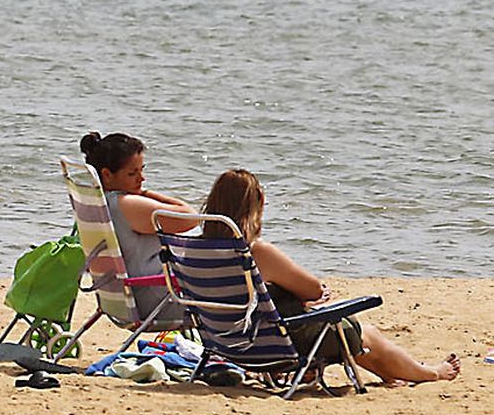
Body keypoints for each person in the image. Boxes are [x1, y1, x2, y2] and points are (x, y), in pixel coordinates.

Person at [203, 168, 458, 386]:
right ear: (257, 203)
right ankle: (432, 373)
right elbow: (314, 290)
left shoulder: (197, 252)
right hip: (273, 347)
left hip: (225, 345)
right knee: (362, 333)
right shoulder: (256, 252)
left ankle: (391, 375)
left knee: (346, 331)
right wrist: (311, 296)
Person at [79, 131, 194, 322]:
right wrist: (146, 193)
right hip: (159, 301)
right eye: (132, 173)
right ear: (107, 175)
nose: (142, 179)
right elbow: (190, 217)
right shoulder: (126, 205)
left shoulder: (97, 204)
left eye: (142, 170)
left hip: (128, 299)